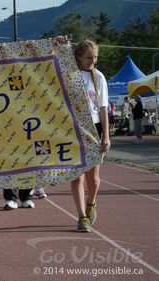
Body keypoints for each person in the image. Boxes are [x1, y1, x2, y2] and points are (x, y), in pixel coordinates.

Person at [71, 39, 110, 233]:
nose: (92, 61)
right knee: (77, 177)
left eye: (95, 57)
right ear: (79, 56)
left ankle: (91, 203)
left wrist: (106, 136)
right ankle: (81, 217)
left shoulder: (99, 77)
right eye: (88, 57)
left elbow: (103, 109)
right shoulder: (70, 76)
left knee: (93, 179)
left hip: (94, 128)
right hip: (75, 128)